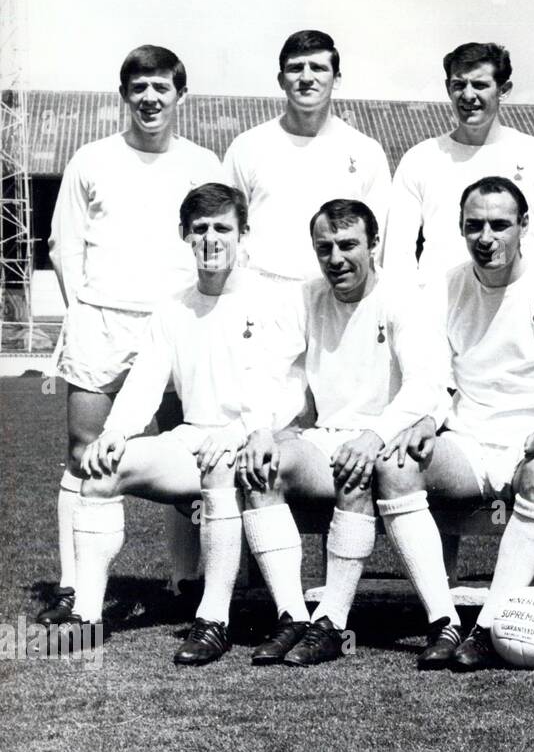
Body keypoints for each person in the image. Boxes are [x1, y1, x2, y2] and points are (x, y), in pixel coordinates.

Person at [373, 176, 534, 671]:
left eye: (499, 225)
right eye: (474, 226)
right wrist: (427, 420)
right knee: (397, 463)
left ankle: (488, 627)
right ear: (460, 229)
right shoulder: (445, 285)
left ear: (525, 227)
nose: (486, 238)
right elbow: (436, 376)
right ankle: (443, 620)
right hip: (468, 440)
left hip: (532, 438)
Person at [42, 45, 222, 628]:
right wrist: (84, 311)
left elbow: (214, 238)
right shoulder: (91, 159)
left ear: (179, 96)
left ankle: (183, 580)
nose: (149, 99)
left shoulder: (202, 162)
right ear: (124, 96)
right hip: (100, 320)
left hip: (173, 321)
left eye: (161, 88)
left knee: (183, 446)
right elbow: (63, 245)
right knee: (83, 449)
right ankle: (73, 587)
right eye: (138, 88)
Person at [64, 184, 278, 664]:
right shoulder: (172, 308)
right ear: (184, 235)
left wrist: (242, 430)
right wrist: (115, 431)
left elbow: (286, 386)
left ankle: (214, 620)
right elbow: (144, 382)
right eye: (199, 229)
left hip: (253, 441)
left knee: (222, 468)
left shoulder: (268, 299)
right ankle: (86, 616)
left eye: (223, 228)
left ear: (243, 234)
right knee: (100, 469)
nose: (211, 239)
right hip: (192, 440)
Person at [237, 200, 444, 667]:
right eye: (324, 247)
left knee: (354, 470)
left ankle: (331, 620)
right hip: (326, 435)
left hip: (388, 436)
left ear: (373, 245)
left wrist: (375, 435)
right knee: (259, 470)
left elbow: (424, 385)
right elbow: (265, 370)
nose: (336, 259)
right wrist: (259, 431)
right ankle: (292, 615)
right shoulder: (304, 297)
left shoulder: (403, 295)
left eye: (348, 245)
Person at [383, 42, 534, 285]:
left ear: (504, 90)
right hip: (440, 308)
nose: (468, 95)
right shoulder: (420, 159)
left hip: (515, 307)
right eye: (459, 85)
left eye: (480, 85)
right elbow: (398, 258)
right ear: (448, 88)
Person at [222, 30, 391, 286]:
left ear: (336, 79)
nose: (306, 77)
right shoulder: (247, 146)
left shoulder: (366, 151)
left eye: (318, 68)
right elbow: (227, 227)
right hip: (264, 291)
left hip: (337, 293)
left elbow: (378, 242)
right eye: (296, 68)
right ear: (281, 79)